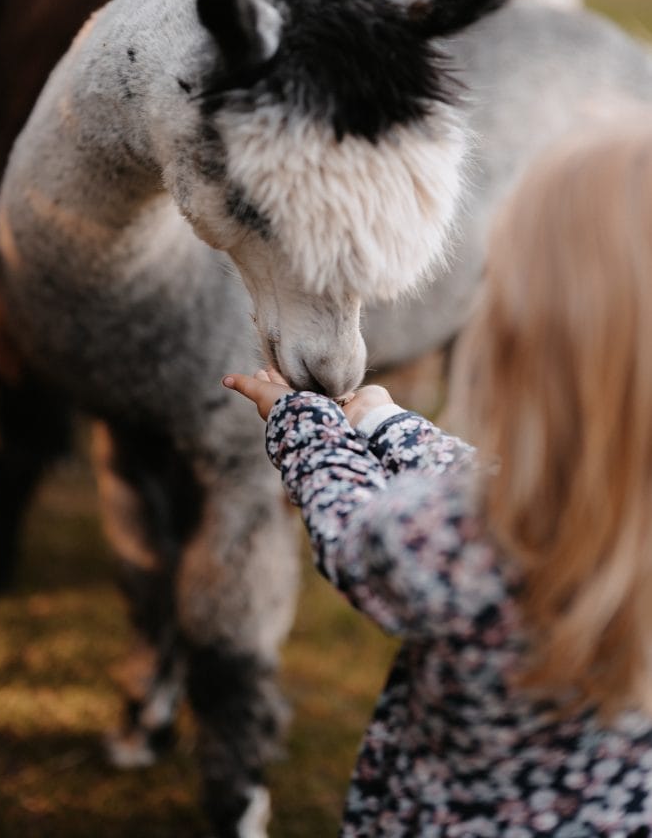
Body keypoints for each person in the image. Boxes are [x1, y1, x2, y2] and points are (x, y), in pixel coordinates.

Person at [223, 122, 652, 837]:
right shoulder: (588, 513)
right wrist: (387, 424)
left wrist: (301, 420)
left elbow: (353, 531)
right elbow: (490, 481)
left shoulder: (472, 543)